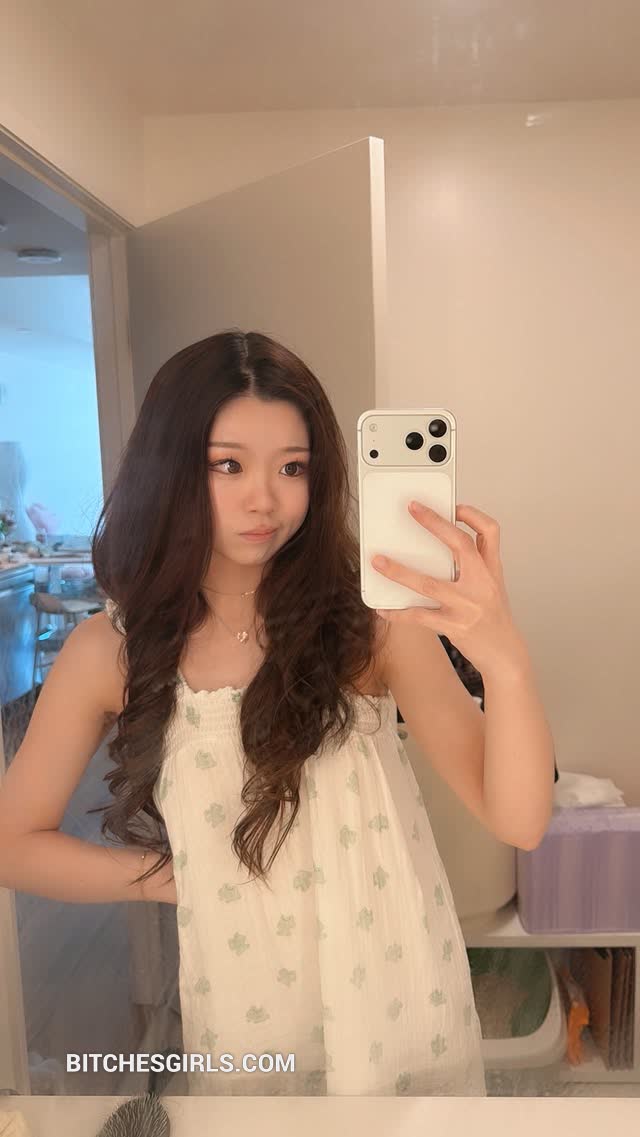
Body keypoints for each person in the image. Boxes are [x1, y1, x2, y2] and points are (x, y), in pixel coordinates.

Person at [0, 329, 488, 1097]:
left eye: (292, 467)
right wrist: (166, 876)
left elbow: (521, 814)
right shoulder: (110, 650)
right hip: (247, 1014)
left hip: (398, 1000)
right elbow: (12, 842)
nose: (265, 498)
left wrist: (502, 649)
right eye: (227, 464)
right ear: (170, 468)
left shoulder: (373, 626)